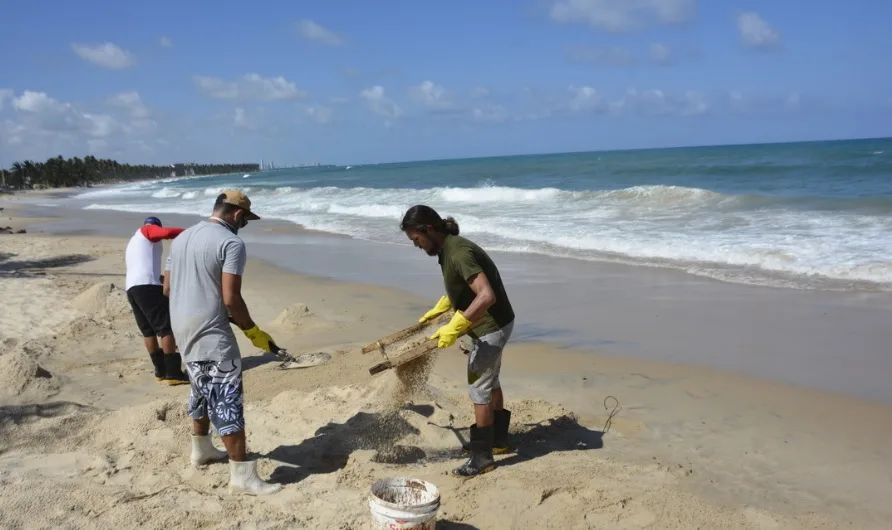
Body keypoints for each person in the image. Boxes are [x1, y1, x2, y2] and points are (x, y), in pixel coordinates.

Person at [163, 190, 282, 495]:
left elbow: (167, 288)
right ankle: (242, 476)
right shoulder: (231, 243)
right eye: (246, 220)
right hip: (212, 335)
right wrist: (253, 331)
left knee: (201, 389)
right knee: (227, 400)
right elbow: (231, 299)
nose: (245, 226)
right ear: (238, 215)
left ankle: (200, 449)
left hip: (183, 330)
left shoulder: (182, 238)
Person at [400, 205, 515, 478]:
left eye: (416, 239)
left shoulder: (459, 253)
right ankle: (498, 440)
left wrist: (458, 324)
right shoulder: (447, 250)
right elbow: (465, 286)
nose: (415, 245)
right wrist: (446, 305)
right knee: (491, 381)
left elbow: (486, 296)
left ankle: (481, 457)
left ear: (429, 229)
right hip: (492, 323)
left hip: (490, 328)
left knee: (479, 390)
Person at [124, 216, 189, 385]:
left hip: (132, 288)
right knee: (166, 328)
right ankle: (173, 373)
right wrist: (191, 233)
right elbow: (167, 232)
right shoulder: (147, 231)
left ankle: (160, 371)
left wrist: (167, 280)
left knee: (149, 331)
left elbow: (147, 271)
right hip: (146, 287)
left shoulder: (135, 242)